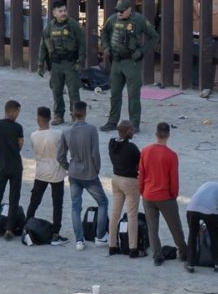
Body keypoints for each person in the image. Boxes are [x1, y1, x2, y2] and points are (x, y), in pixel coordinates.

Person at [98, 0, 159, 133]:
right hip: (116, 62)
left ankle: (134, 124)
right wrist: (106, 47)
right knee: (114, 94)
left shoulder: (139, 20)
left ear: (129, 9)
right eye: (118, 11)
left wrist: (141, 51)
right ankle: (112, 122)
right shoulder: (113, 19)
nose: (120, 13)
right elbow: (104, 33)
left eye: (122, 11)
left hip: (132, 62)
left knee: (133, 95)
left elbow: (154, 36)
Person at [57, 100, 108, 251]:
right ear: (85, 113)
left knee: (75, 207)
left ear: (73, 113)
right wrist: (96, 169)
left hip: (74, 173)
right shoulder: (91, 130)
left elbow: (60, 156)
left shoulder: (66, 132)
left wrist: (69, 167)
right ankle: (100, 236)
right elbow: (95, 154)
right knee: (103, 202)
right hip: (90, 174)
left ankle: (79, 240)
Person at [139, 121, 188, 265]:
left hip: (148, 194)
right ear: (168, 135)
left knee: (152, 228)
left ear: (156, 133)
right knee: (175, 226)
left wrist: (142, 190)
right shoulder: (171, 155)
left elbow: (141, 173)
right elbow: (174, 179)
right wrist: (174, 194)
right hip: (165, 196)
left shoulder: (146, 151)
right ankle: (183, 252)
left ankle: (157, 255)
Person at [26, 106, 68, 244]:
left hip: (41, 172)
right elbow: (63, 151)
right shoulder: (58, 133)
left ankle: (27, 225)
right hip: (56, 172)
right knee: (57, 204)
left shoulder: (33, 135)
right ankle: (56, 232)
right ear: (49, 119)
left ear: (38, 119)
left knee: (35, 200)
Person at [38, 1, 85, 125]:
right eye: (60, 11)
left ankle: (76, 116)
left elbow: (82, 43)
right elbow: (43, 46)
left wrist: (80, 61)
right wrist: (40, 64)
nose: (63, 13)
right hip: (56, 65)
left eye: (65, 10)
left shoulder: (73, 25)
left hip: (71, 64)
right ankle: (58, 115)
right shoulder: (49, 27)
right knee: (56, 91)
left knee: (73, 92)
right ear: (54, 13)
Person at [0, 100, 25, 239]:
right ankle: (9, 230)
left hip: (0, 165)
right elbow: (20, 145)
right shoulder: (18, 127)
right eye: (17, 112)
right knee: (14, 198)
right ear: (13, 111)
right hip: (15, 166)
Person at [107, 121, 142, 257]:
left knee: (115, 213)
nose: (133, 132)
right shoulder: (131, 148)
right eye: (132, 130)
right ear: (127, 131)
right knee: (132, 215)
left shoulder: (111, 144)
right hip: (130, 181)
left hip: (116, 179)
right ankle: (133, 248)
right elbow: (140, 164)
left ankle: (112, 245)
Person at [185, 182, 218, 273]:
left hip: (191, 208)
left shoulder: (210, 185)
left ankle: (190, 265)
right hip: (210, 211)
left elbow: (202, 202)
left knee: (192, 236)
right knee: (216, 237)